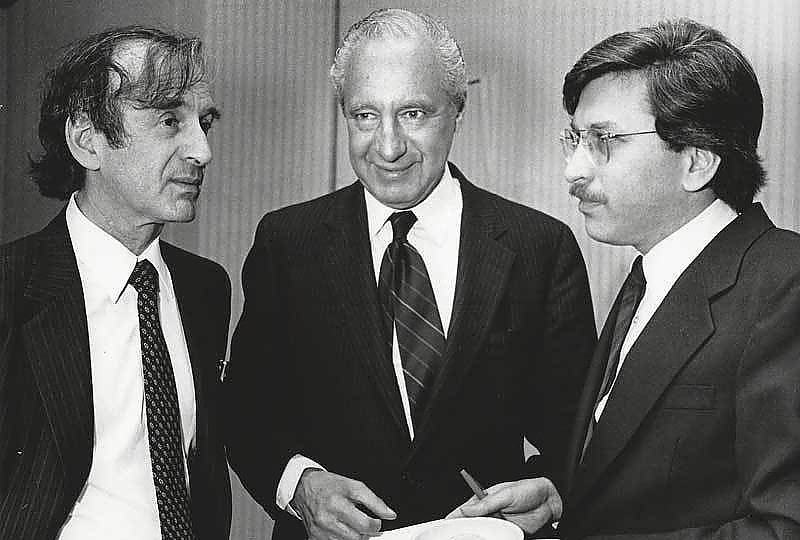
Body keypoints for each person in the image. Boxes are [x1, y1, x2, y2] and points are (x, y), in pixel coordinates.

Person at [224, 8, 596, 540]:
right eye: (365, 116)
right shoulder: (289, 244)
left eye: (414, 113)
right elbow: (245, 412)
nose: (389, 146)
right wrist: (299, 485)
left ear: (457, 110)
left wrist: (553, 489)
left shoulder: (540, 247)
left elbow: (579, 433)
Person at [450, 18, 800, 539]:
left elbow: (783, 527)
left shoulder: (784, 285)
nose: (573, 170)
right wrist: (559, 498)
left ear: (697, 162)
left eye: (604, 141)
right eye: (575, 139)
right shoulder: (649, 271)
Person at [0, 26, 231, 540]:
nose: (202, 151)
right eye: (170, 120)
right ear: (88, 140)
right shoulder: (12, 289)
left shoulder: (206, 289)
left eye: (205, 123)